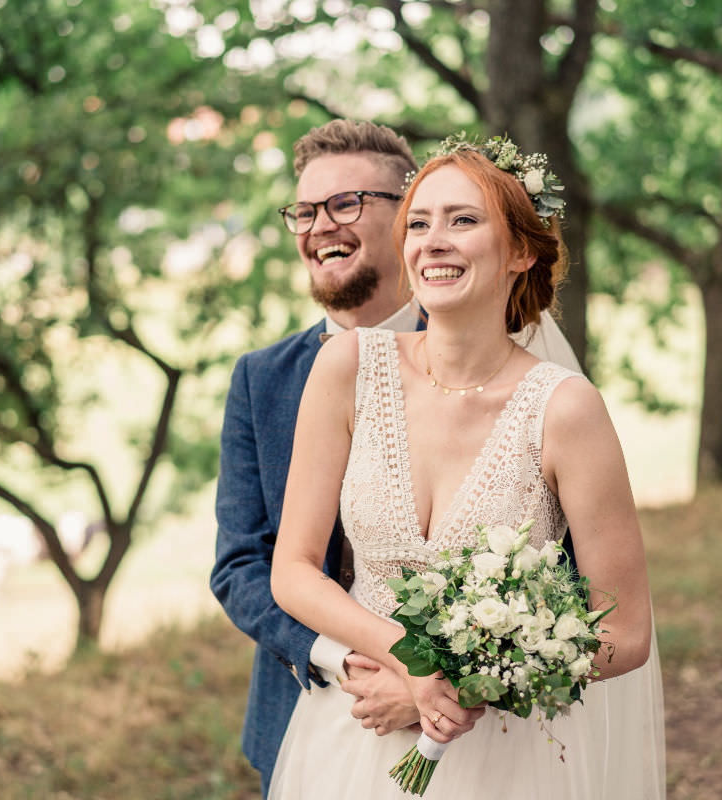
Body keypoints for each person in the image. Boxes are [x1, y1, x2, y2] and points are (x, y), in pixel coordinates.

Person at [268, 136, 666, 798]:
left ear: (520, 250)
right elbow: (293, 570)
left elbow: (625, 632)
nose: (433, 241)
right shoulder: (346, 370)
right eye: (419, 224)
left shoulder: (565, 411)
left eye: (463, 220)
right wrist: (409, 662)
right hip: (351, 736)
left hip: (501, 758)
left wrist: (467, 676)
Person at [210, 120, 583, 796]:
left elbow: (572, 577)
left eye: (346, 203)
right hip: (315, 717)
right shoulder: (261, 378)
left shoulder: (517, 375)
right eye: (305, 210)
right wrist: (354, 664)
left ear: (403, 215)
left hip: (484, 736)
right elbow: (241, 564)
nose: (321, 225)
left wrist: (458, 682)